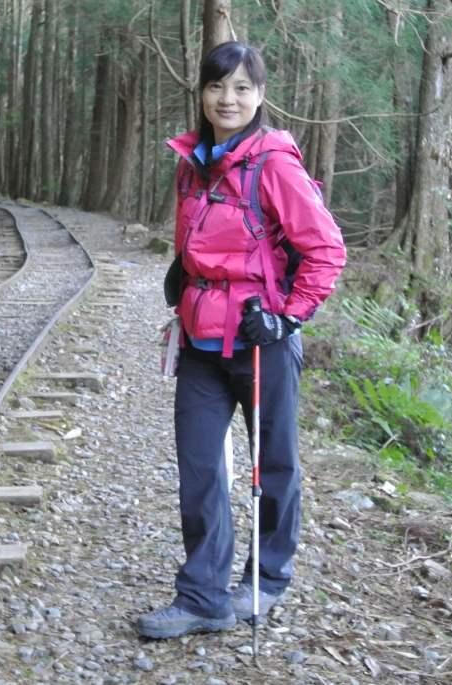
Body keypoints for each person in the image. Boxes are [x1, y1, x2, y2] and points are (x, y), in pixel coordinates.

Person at [136, 41, 347, 639]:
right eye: (216, 87)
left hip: (262, 340)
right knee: (201, 470)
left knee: (272, 465)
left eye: (241, 88)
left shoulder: (275, 164)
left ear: (259, 96)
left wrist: (289, 317)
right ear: (201, 93)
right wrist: (181, 278)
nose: (227, 99)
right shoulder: (190, 162)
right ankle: (203, 595)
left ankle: (266, 580)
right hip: (201, 340)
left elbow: (326, 250)